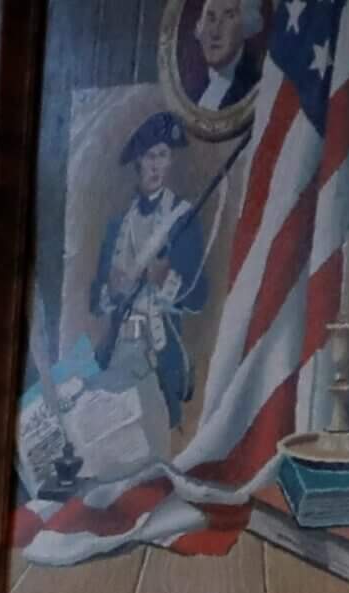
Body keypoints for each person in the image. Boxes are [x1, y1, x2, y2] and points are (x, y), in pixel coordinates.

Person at [94, 113, 210, 429]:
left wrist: (167, 279)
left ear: (171, 161)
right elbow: (95, 298)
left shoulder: (183, 220)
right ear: (138, 163)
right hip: (119, 349)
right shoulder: (117, 226)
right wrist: (111, 289)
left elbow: (199, 296)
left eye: (163, 155)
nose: (156, 165)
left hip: (161, 351)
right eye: (149, 156)